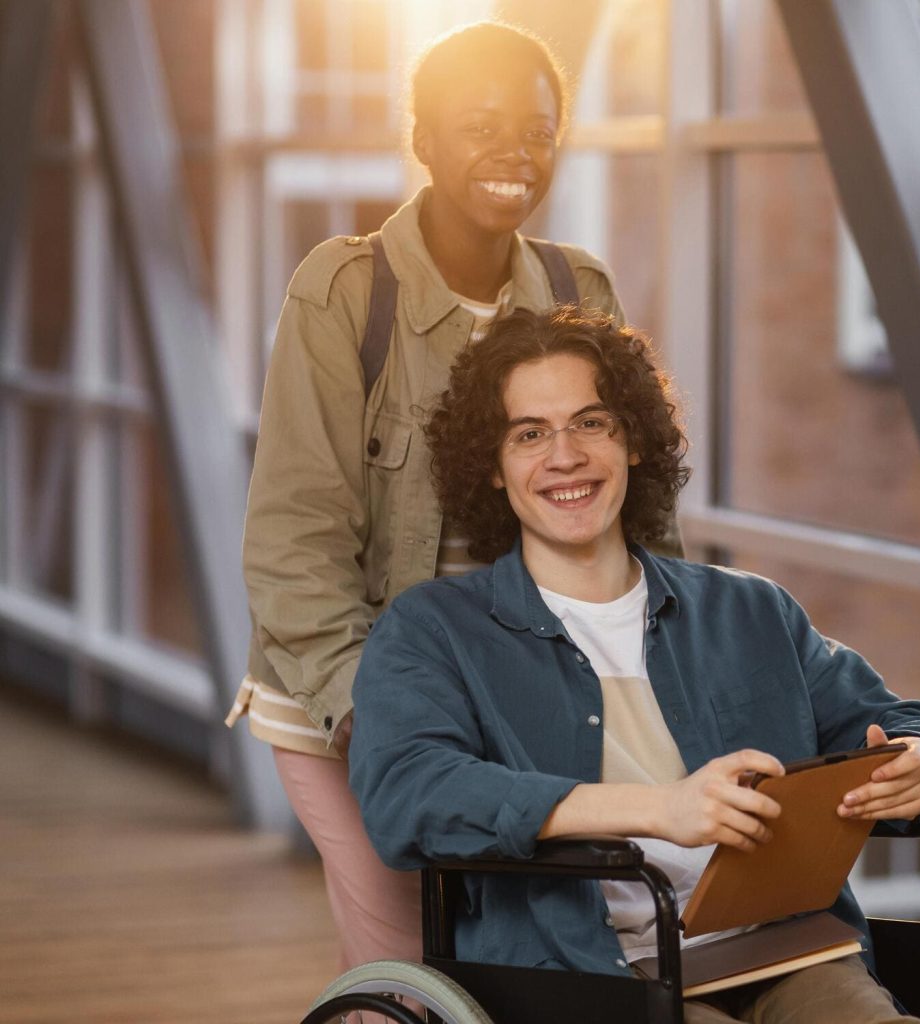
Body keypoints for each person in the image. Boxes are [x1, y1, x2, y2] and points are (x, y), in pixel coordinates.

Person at [348, 306, 920, 1023]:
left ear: (633, 440)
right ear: (491, 465)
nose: (565, 456)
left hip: (781, 950)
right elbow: (408, 793)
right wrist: (661, 809)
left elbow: (895, 721)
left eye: (591, 422)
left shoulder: (753, 613)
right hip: (589, 974)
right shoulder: (434, 632)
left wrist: (919, 759)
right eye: (529, 434)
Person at [226, 20, 681, 974]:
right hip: (347, 695)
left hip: (519, 695)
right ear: (423, 140)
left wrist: (672, 658)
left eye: (537, 128)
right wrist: (380, 718)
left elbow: (632, 507)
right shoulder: (345, 293)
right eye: (479, 126)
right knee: (422, 969)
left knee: (540, 961)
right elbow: (294, 537)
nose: (514, 152)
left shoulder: (577, 288)